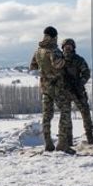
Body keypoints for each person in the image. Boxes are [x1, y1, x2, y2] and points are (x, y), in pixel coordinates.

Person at [29, 26, 74, 154]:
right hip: (57, 87)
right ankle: (62, 144)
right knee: (65, 112)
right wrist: (65, 60)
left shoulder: (38, 50)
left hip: (45, 87)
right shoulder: (53, 50)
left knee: (47, 115)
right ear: (54, 37)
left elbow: (33, 66)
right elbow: (58, 64)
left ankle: (48, 143)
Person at [61, 38, 93, 145]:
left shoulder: (79, 60)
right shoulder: (59, 60)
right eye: (66, 46)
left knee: (85, 114)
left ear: (73, 47)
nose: (68, 48)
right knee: (66, 117)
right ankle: (68, 141)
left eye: (70, 46)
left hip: (78, 91)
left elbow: (86, 73)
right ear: (62, 48)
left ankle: (90, 138)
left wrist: (80, 82)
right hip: (65, 92)